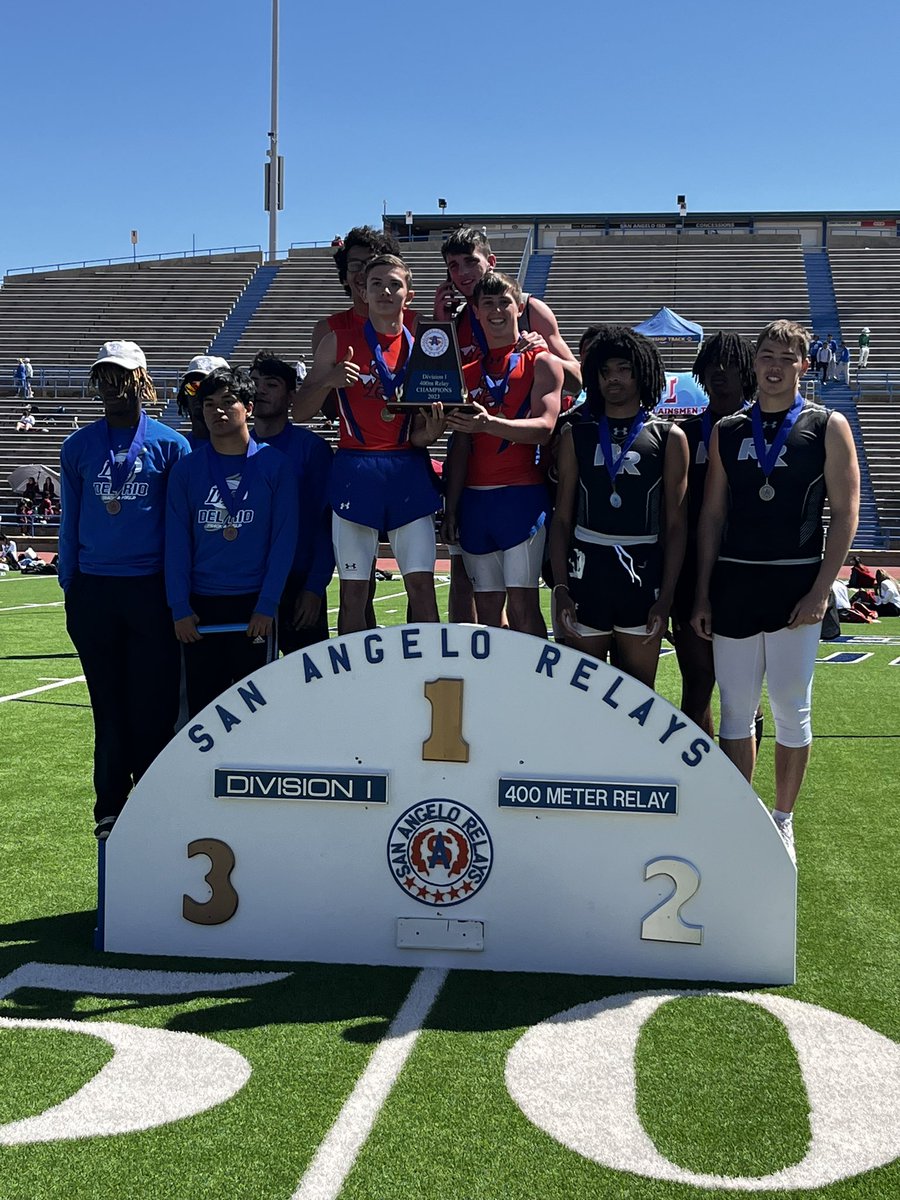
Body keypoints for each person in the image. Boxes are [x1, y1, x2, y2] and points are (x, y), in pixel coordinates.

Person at [691, 320, 860, 862]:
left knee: (792, 708)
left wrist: (822, 588)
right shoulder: (729, 429)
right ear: (753, 363)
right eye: (766, 355)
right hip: (736, 583)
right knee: (737, 710)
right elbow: (713, 514)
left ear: (804, 366)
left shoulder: (827, 424)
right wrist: (701, 594)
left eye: (787, 357)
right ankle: (744, 815)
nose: (774, 365)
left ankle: (783, 820)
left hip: (796, 585)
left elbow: (847, 510)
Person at [59, 340, 190, 840]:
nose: (112, 389)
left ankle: (155, 801)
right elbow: (71, 523)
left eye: (122, 378)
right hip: (94, 592)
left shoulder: (170, 445)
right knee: (107, 705)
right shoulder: (78, 447)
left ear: (142, 380)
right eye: (104, 379)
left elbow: (178, 530)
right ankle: (110, 809)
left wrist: (175, 595)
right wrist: (70, 585)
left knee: (153, 705)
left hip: (150, 592)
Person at [294, 254, 445, 633]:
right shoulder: (338, 340)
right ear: (362, 289)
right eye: (376, 283)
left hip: (407, 467)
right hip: (355, 470)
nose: (385, 291)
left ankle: (429, 680)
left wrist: (429, 435)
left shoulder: (425, 344)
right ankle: (355, 691)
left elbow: (422, 427)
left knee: (422, 591)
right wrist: (328, 379)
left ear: (408, 295)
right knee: (353, 594)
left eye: (394, 284)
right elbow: (299, 411)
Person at [549, 326, 688, 688]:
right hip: (586, 572)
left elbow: (676, 526)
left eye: (624, 369)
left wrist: (667, 597)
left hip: (642, 574)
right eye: (605, 370)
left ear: (643, 372)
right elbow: (562, 518)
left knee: (639, 697)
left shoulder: (669, 437)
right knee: (581, 695)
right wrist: (561, 587)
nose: (614, 378)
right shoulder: (575, 434)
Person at [165, 367, 298, 717]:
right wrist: (180, 607)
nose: (217, 411)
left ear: (249, 408)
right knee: (202, 715)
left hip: (254, 606)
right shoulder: (187, 469)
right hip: (199, 608)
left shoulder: (275, 465)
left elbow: (283, 540)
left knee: (255, 714)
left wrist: (267, 604)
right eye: (209, 404)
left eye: (228, 402)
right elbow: (176, 543)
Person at [442, 271, 563, 636]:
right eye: (487, 304)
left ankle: (536, 692)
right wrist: (451, 507)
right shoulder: (464, 373)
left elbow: (544, 428)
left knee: (524, 607)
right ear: (475, 312)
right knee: (487, 611)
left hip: (521, 497)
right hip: (475, 502)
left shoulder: (542, 361)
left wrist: (487, 424)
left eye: (504, 302)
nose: (496, 310)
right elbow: (460, 444)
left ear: (520, 307)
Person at [669, 332, 757, 735]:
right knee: (698, 679)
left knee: (744, 691)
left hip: (748, 568)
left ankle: (741, 783)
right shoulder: (682, 434)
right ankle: (701, 776)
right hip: (690, 572)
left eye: (732, 364)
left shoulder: (766, 430)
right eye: (712, 364)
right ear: (700, 373)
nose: (720, 372)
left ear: (748, 372)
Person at [249, 350, 334, 652]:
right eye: (254, 383)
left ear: (290, 396)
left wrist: (314, 587)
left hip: (298, 582)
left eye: (271, 384)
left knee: (311, 687)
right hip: (247, 583)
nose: (259, 390)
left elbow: (325, 524)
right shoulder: (232, 447)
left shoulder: (312, 449)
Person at [176, 354, 230, 447]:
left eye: (207, 389)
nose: (198, 395)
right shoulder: (176, 451)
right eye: (192, 387)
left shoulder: (250, 452)